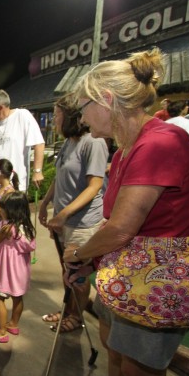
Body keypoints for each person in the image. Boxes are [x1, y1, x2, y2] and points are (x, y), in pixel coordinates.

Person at [62, 48, 189, 376]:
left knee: (143, 375)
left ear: (107, 100)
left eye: (84, 106)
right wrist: (92, 261)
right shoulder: (126, 148)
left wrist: (78, 253)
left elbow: (123, 227)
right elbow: (117, 223)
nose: (81, 116)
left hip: (159, 281)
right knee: (113, 345)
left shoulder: (159, 143)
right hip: (129, 272)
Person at [38, 94, 108, 332]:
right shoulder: (69, 142)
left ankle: (76, 317)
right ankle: (67, 310)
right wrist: (45, 203)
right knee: (66, 270)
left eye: (56, 115)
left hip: (82, 222)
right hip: (63, 221)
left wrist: (64, 214)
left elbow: (95, 185)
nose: (53, 120)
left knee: (78, 274)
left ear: (70, 116)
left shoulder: (93, 142)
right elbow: (59, 177)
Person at [0, 192, 36, 344]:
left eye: (3, 208)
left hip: (8, 272)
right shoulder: (26, 227)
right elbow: (30, 246)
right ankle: (13, 325)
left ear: (12, 211)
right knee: (18, 298)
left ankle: (0, 331)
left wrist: (1, 235)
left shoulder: (8, 228)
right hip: (21, 272)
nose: (1, 210)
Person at [0, 90, 45, 191]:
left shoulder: (22, 116)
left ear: (0, 107)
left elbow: (39, 143)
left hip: (14, 183)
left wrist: (37, 171)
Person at [0, 159, 18, 237]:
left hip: (3, 227)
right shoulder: (0, 187)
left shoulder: (9, 191)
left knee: (2, 247)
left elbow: (2, 212)